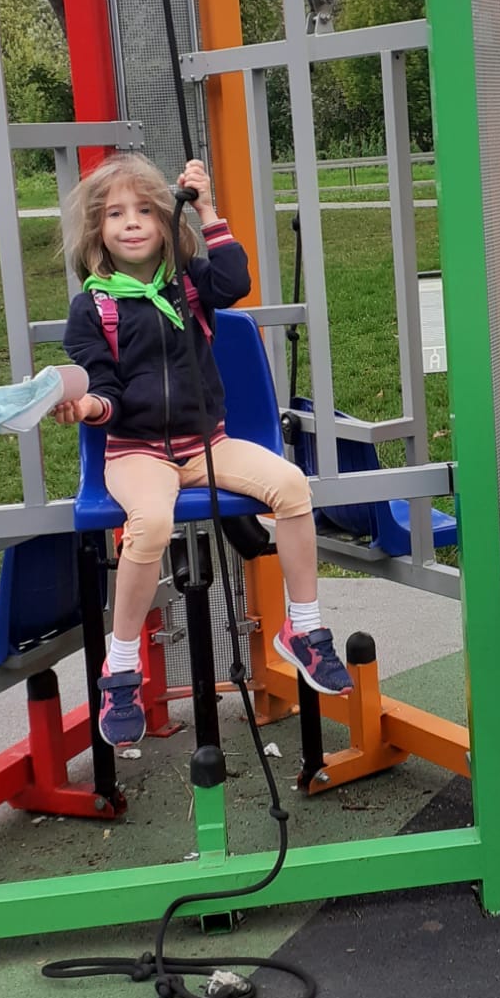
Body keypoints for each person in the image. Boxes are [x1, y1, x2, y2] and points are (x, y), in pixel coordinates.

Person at [58, 152, 352, 746]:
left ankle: (302, 628)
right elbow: (106, 390)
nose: (132, 222)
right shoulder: (94, 307)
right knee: (150, 523)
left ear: (167, 221)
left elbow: (235, 282)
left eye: (146, 210)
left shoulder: (189, 283)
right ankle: (121, 665)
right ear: (97, 231)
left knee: (292, 485)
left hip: (208, 445)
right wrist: (87, 407)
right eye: (115, 214)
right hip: (137, 453)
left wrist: (209, 210)